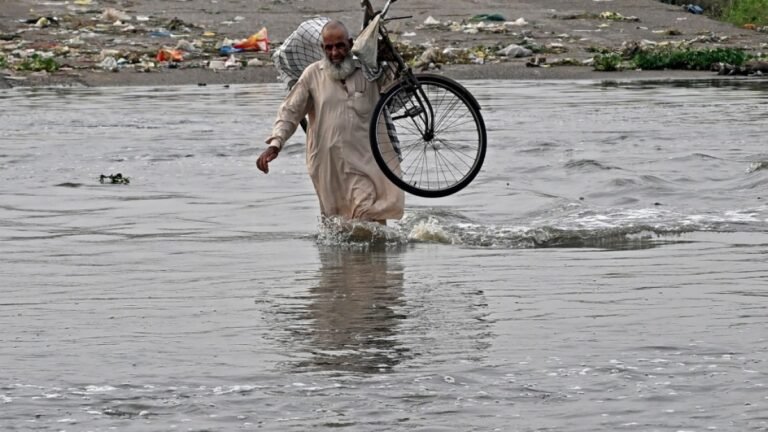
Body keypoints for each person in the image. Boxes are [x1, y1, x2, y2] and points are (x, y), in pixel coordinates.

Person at [256, 20, 404, 223]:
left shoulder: (369, 72)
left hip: (364, 163)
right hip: (327, 167)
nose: (335, 53)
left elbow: (397, 89)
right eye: (329, 47)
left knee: (367, 215)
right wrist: (276, 143)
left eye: (340, 46)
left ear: (350, 44)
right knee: (336, 225)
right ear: (322, 48)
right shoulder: (312, 75)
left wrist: (391, 59)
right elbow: (290, 111)